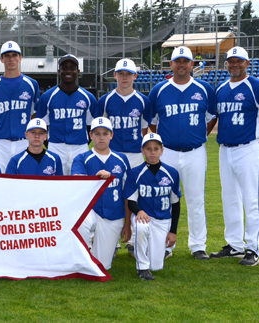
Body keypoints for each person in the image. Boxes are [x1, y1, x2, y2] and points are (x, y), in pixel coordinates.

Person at [211, 46, 259, 266]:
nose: (234, 64)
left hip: (250, 147)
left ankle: (253, 248)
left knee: (252, 198)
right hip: (225, 149)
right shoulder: (221, 88)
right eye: (231, 61)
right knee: (229, 197)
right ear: (227, 64)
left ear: (247, 63)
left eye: (239, 61)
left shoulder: (257, 86)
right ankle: (234, 245)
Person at [148, 46, 216, 260]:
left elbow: (212, 116)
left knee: (196, 199)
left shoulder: (204, 88)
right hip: (166, 152)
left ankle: (197, 245)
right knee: (164, 198)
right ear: (171, 64)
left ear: (192, 64)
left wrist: (199, 136)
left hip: (195, 152)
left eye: (186, 61)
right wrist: (158, 148)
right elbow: (150, 123)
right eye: (177, 61)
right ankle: (165, 245)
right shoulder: (158, 90)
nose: (182, 65)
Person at [98, 58, 153, 257]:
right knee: (111, 195)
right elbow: (100, 129)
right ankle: (112, 241)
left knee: (134, 197)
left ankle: (132, 240)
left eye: (128, 74)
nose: (124, 77)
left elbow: (146, 128)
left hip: (136, 154)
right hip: (113, 155)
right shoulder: (105, 100)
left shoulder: (143, 101)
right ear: (115, 75)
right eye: (121, 73)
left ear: (135, 76)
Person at [72, 117, 131, 270]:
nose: (101, 137)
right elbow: (77, 181)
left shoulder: (121, 159)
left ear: (111, 135)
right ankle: (81, 257)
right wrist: (95, 178)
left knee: (102, 266)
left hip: (113, 214)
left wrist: (128, 224)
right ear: (91, 136)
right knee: (81, 221)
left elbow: (128, 193)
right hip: (90, 211)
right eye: (97, 134)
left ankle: (93, 252)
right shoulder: (82, 158)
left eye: (105, 133)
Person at [124, 133, 181, 281]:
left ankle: (161, 250)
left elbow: (175, 203)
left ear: (162, 150)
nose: (152, 152)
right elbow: (131, 201)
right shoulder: (135, 172)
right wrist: (139, 211)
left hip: (163, 220)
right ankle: (142, 268)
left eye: (156, 148)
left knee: (156, 266)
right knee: (141, 226)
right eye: (148, 149)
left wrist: (173, 231)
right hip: (145, 216)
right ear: (142, 151)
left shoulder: (172, 173)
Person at [0, 41, 40, 172]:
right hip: (0, 144)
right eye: (7, 55)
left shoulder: (32, 84)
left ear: (20, 58)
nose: (11, 59)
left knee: (26, 181)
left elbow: (34, 114)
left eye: (15, 55)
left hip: (24, 142)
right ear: (1, 59)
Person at [35, 54, 97, 175]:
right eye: (64, 68)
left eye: (72, 68)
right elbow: (42, 126)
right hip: (55, 146)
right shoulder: (48, 97)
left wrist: (83, 142)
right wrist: (51, 145)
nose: (68, 71)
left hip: (80, 147)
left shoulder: (88, 97)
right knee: (55, 185)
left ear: (78, 71)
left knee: (79, 185)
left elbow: (92, 127)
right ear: (59, 71)